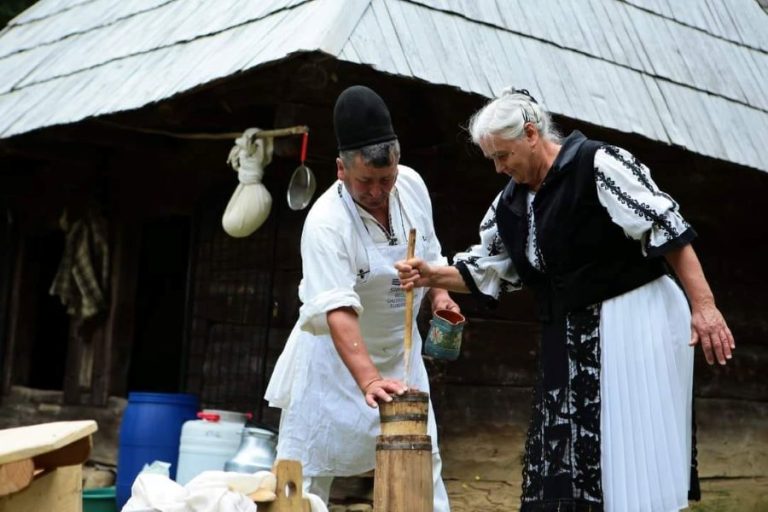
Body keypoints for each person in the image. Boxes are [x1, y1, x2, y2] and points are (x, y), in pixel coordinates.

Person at [396, 88, 735, 512]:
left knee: (625, 450)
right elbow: (490, 268)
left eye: (504, 155)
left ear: (532, 134)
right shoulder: (511, 204)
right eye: (493, 160)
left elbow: (665, 228)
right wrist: (432, 274)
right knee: (567, 459)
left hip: (635, 320)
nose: (500, 168)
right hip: (570, 336)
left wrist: (705, 307)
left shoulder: (596, 164)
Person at [265, 85, 457, 510]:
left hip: (401, 357)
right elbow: (337, 309)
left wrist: (440, 294)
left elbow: (430, 251)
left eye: (385, 179)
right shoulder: (325, 223)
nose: (377, 191)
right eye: (365, 182)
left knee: (424, 464)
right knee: (306, 471)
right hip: (334, 363)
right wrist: (368, 379)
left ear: (398, 162)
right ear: (340, 170)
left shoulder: (412, 187)